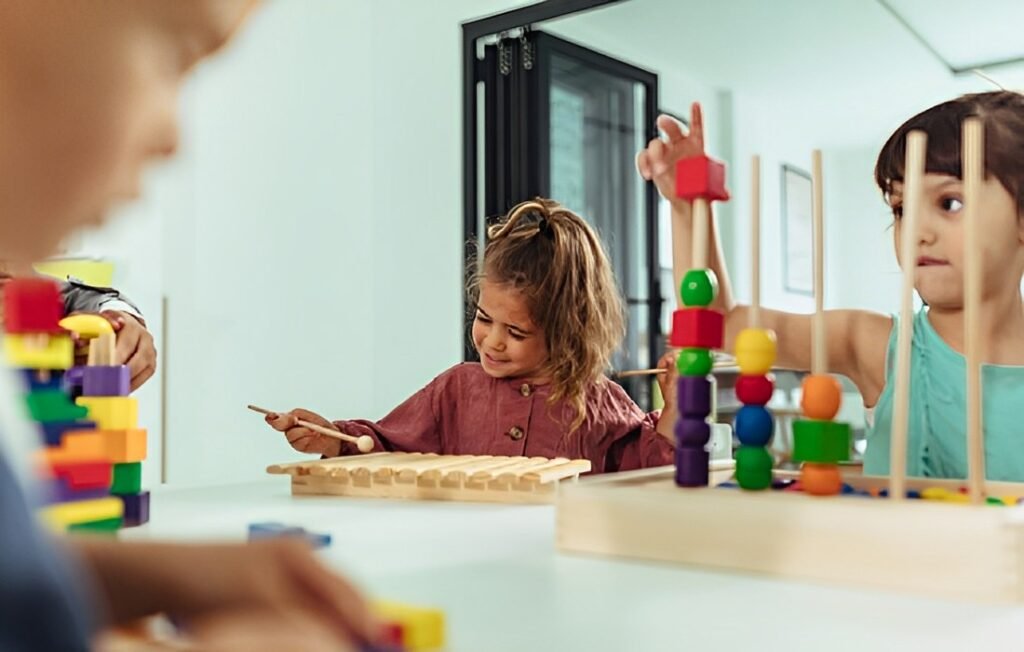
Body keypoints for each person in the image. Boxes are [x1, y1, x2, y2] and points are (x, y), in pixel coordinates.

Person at [636, 94, 1024, 481]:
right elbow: (719, 322)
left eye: (950, 203)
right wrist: (689, 205)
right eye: (901, 208)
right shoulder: (875, 346)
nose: (917, 233)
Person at [267, 198, 679, 473]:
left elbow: (653, 470)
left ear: (568, 331)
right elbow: (386, 445)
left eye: (516, 332)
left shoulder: (597, 400)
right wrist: (335, 440)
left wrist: (679, 406)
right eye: (484, 319)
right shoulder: (456, 390)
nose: (493, 341)